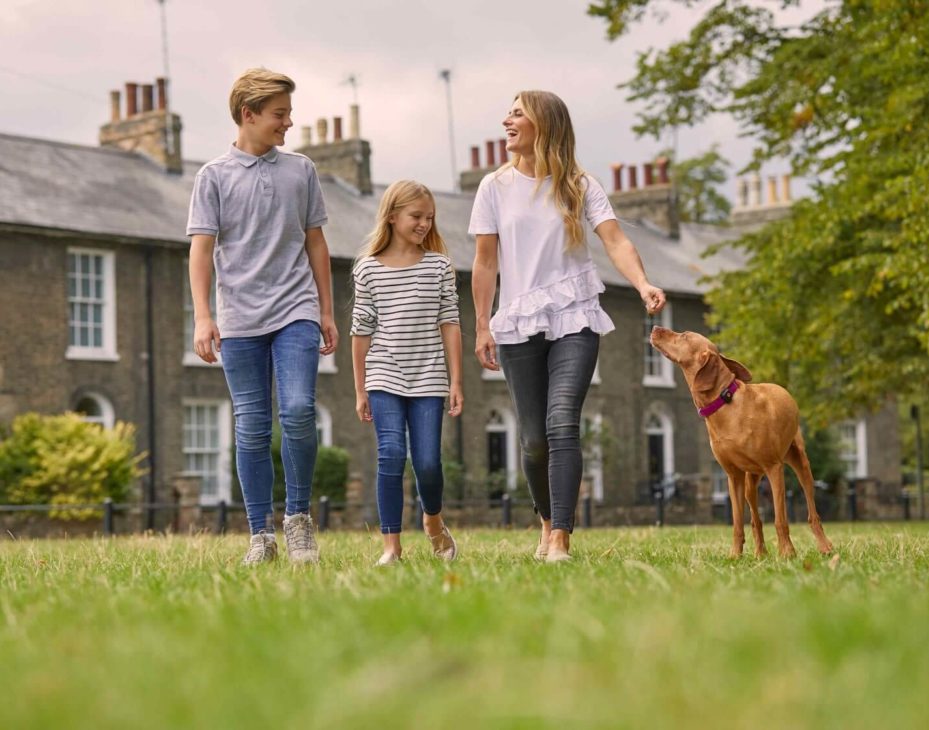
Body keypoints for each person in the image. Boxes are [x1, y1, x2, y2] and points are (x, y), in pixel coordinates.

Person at [469, 90, 666, 562]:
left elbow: (615, 241)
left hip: (575, 314)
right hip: (519, 320)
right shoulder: (492, 188)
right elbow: (485, 261)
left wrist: (641, 284)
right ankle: (545, 519)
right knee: (534, 439)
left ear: (544, 123)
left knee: (562, 423)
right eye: (508, 112)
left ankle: (560, 535)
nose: (507, 120)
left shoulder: (580, 185)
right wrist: (481, 325)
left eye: (517, 113)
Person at [186, 68, 338, 565]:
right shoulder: (213, 177)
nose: (288, 123)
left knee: (296, 411)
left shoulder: (301, 170)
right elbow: (201, 251)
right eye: (279, 114)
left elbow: (316, 241)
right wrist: (203, 317)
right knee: (251, 425)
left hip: (296, 308)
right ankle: (261, 535)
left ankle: (297, 521)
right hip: (240, 319)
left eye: (289, 113)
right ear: (248, 115)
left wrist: (327, 312)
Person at [351, 180, 463, 566]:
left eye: (429, 218)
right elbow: (361, 330)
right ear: (393, 216)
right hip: (384, 375)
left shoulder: (439, 266)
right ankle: (391, 547)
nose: (424, 224)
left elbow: (450, 321)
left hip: (429, 376)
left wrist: (456, 381)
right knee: (391, 455)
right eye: (417, 216)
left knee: (428, 462)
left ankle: (433, 521)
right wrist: (360, 388)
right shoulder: (367, 270)